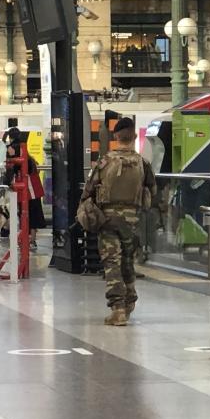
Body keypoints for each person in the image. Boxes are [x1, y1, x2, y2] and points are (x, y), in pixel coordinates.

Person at [81, 117, 156, 326]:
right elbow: (153, 189)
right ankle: (130, 301)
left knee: (112, 261)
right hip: (132, 219)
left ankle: (118, 309)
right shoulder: (142, 162)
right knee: (128, 260)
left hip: (108, 218)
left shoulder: (105, 161)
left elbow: (89, 189)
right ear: (133, 137)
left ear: (115, 137)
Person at [4, 140, 46, 250]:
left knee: (29, 217)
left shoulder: (22, 162)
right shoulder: (29, 160)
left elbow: (8, 178)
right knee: (30, 217)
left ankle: (30, 240)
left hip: (29, 193)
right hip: (31, 193)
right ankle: (30, 240)